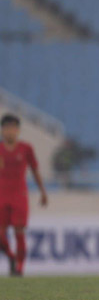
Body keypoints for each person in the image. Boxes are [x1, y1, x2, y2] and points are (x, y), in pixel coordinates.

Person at [0, 114, 48, 276]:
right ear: (2, 130)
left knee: (19, 232)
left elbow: (35, 171)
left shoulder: (26, 149)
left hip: (19, 196)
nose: (10, 132)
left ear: (18, 130)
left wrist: (42, 191)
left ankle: (19, 267)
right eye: (6, 128)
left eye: (13, 128)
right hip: (1, 196)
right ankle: (11, 256)